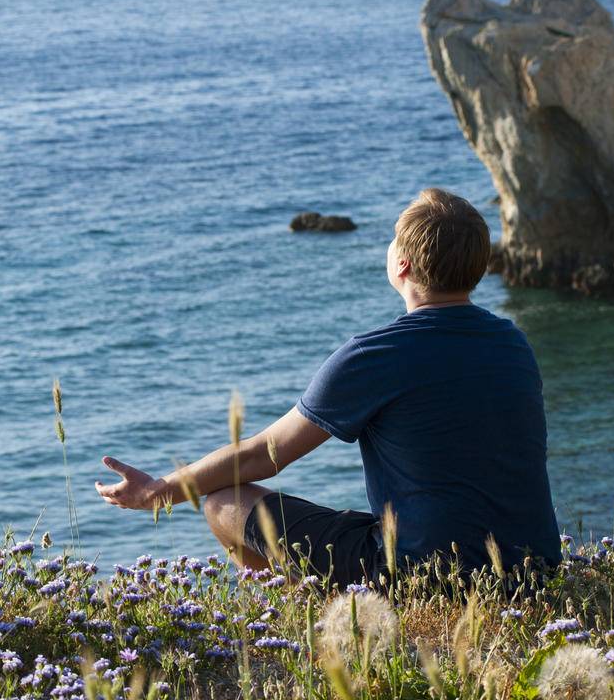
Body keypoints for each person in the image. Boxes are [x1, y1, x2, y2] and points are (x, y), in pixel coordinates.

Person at [95, 188, 561, 588]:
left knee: (223, 502)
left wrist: (159, 491)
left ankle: (293, 620)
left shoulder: (375, 355)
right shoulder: (513, 343)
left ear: (401, 264)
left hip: (425, 573)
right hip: (534, 570)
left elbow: (265, 455)